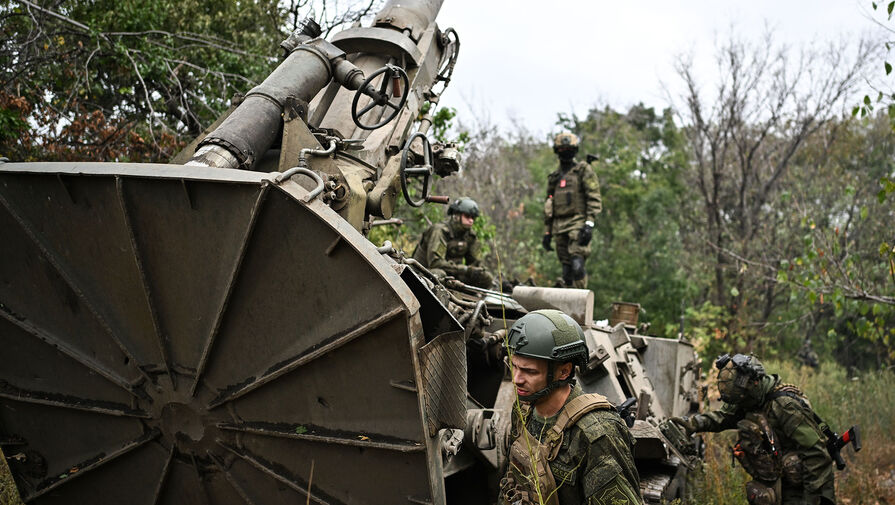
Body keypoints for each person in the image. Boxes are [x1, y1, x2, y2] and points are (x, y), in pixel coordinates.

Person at [499, 309, 642, 505]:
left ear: (564, 371)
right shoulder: (523, 409)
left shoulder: (595, 433)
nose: (516, 380)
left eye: (529, 371)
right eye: (514, 366)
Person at [671, 354, 835, 505]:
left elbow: (817, 455)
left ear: (754, 383)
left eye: (741, 400)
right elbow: (724, 417)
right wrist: (694, 423)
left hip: (804, 486)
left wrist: (810, 500)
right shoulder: (747, 396)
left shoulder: (785, 406)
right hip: (777, 481)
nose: (739, 406)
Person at [542, 132, 602, 289]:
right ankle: (567, 307)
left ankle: (581, 304)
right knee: (566, 270)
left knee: (577, 264)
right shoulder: (554, 177)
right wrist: (547, 233)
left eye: (568, 148)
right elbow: (548, 206)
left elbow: (593, 197)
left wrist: (589, 224)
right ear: (557, 151)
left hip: (578, 222)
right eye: (562, 149)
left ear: (575, 150)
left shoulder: (583, 170)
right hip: (558, 225)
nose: (565, 152)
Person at [412, 197, 494, 288]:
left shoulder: (470, 236)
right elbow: (436, 263)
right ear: (456, 216)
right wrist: (465, 269)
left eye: (473, 217)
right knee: (440, 273)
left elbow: (476, 264)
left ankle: (468, 297)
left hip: (452, 274)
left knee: (486, 277)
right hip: (424, 272)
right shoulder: (440, 231)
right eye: (467, 216)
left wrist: (479, 272)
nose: (471, 220)